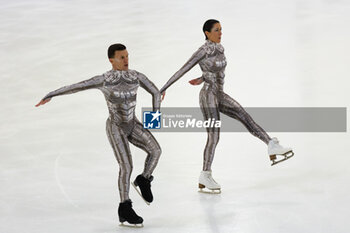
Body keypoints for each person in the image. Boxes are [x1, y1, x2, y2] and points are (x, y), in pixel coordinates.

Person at [160, 19, 293, 194]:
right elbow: (182, 70)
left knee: (244, 116)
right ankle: (205, 175)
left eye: (221, 29)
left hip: (219, 94)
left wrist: (202, 78)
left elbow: (213, 71)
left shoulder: (220, 48)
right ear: (207, 33)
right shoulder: (202, 51)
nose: (220, 33)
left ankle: (271, 145)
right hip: (208, 96)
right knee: (214, 136)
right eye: (216, 30)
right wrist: (162, 89)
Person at [36, 43, 162, 227]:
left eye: (127, 56)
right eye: (122, 57)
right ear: (111, 60)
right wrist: (51, 94)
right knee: (126, 166)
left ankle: (144, 179)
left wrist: (154, 119)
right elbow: (77, 86)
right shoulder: (104, 80)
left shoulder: (136, 76)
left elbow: (155, 92)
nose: (126, 60)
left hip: (132, 123)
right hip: (116, 126)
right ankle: (124, 208)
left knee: (156, 150)